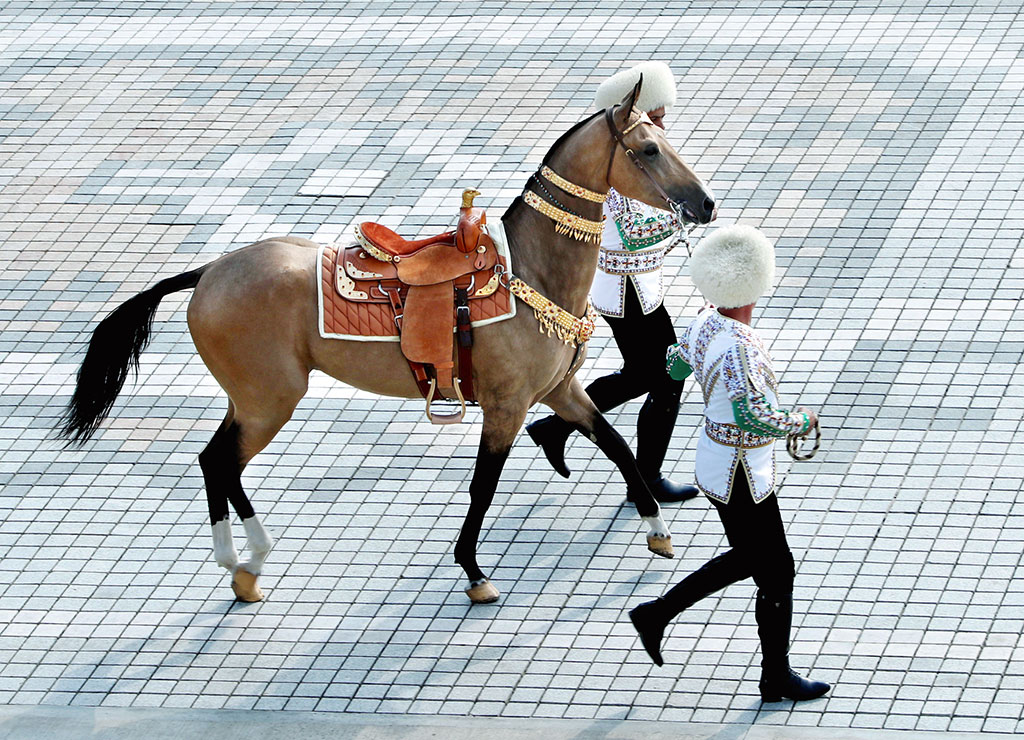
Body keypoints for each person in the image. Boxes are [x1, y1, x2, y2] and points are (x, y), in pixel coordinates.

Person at [628, 224, 830, 703]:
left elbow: (675, 366)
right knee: (777, 570)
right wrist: (800, 420)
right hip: (743, 471)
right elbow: (753, 414)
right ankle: (773, 676)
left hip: (717, 461)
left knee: (754, 560)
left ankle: (659, 615)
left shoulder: (703, 322)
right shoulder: (740, 345)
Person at [526, 61, 704, 504]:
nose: (663, 123)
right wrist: (683, 221)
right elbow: (626, 236)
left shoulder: (641, 150)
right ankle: (641, 476)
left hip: (641, 285)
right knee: (661, 376)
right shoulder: (620, 165)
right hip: (624, 288)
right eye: (656, 115)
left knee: (651, 374)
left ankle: (559, 428)